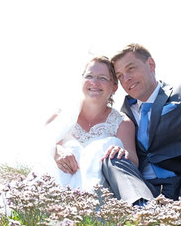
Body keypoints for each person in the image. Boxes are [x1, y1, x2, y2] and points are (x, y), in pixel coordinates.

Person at [101, 43, 181, 205]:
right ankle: (143, 211)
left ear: (151, 65)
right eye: (120, 75)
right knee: (111, 157)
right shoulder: (122, 113)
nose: (126, 79)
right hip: (147, 189)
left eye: (131, 69)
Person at [47, 56, 139, 193]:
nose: (94, 82)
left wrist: (120, 152)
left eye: (102, 78)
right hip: (55, 190)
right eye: (89, 76)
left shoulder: (122, 123)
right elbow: (39, 144)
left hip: (98, 196)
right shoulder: (61, 116)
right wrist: (56, 151)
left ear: (114, 87)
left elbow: (133, 162)